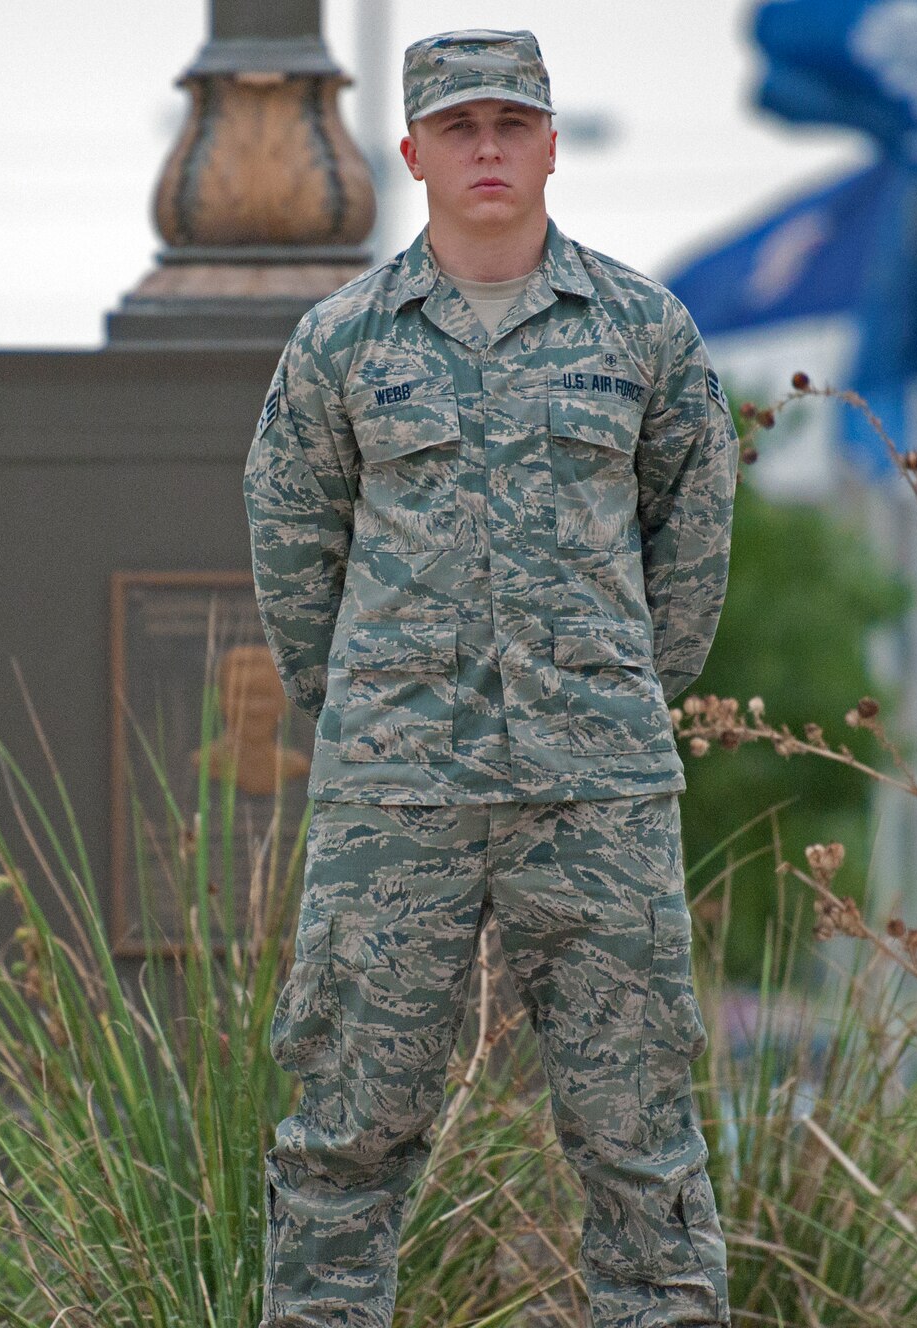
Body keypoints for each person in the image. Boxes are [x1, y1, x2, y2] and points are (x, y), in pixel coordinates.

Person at [241, 28, 738, 1328]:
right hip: (395, 802)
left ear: (552, 145)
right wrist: (373, 710)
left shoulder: (646, 333)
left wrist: (611, 692)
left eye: (512, 124)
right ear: (410, 151)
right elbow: (298, 557)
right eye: (459, 127)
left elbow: (687, 556)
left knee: (643, 1153)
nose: (487, 148)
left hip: (597, 802)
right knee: (343, 1145)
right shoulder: (342, 345)